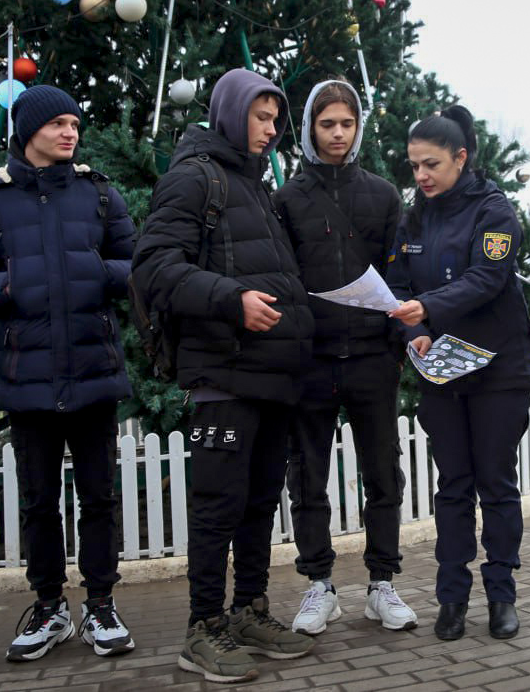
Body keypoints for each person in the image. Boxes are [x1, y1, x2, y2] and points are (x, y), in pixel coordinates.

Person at [132, 68, 316, 683]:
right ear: (232, 114)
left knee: (260, 502)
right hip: (223, 377)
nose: (270, 130)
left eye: (275, 120)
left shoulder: (257, 187)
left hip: (271, 377)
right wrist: (230, 299)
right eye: (261, 118)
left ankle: (248, 612)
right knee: (218, 505)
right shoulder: (194, 178)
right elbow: (154, 267)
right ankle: (202, 627)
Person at [0, 85, 137, 662]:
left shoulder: (99, 195)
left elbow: (137, 264)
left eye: (75, 124)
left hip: (93, 368)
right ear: (27, 129)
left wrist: (93, 272)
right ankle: (49, 607)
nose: (70, 132)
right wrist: (11, 285)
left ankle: (102, 604)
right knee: (38, 501)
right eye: (57, 123)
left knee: (99, 498)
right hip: (26, 375)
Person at [386, 106, 530, 642]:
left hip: (499, 370)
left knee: (496, 484)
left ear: (460, 158)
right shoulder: (413, 217)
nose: (421, 176)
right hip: (442, 371)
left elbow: (486, 279)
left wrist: (425, 306)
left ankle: (502, 595)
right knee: (452, 487)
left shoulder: (494, 210)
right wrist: (414, 331)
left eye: (431, 164)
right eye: (414, 166)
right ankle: (451, 598)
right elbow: (398, 287)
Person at [270, 78, 416, 635]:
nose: (337, 134)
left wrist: (397, 343)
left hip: (373, 358)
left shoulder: (381, 195)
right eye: (326, 123)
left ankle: (383, 583)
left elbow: (398, 274)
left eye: (346, 124)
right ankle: (319, 586)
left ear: (358, 128)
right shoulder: (285, 199)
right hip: (310, 361)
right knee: (307, 476)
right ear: (309, 127)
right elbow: (282, 279)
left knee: (384, 473)